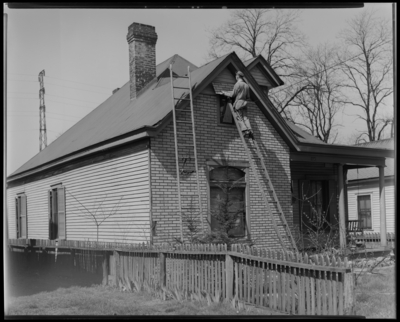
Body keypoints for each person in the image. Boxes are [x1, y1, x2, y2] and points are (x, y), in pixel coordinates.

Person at [222, 71, 254, 139]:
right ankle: (249, 129)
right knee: (245, 117)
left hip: (238, 102)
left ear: (237, 76)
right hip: (245, 102)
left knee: (238, 117)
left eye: (236, 76)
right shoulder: (246, 85)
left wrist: (225, 93)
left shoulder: (237, 84)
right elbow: (248, 96)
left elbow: (233, 94)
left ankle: (245, 130)